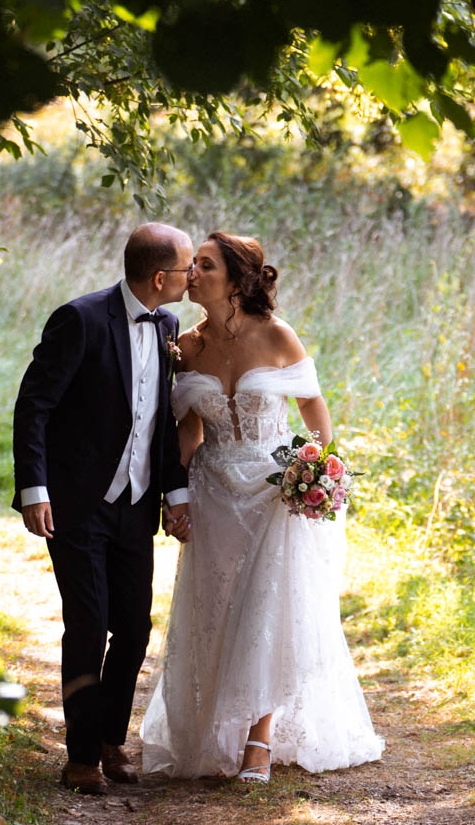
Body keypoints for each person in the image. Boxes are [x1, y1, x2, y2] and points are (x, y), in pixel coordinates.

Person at [139, 231, 383, 782]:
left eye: (204, 264)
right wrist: (169, 495)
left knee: (265, 608)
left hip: (274, 491)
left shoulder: (276, 336)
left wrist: (316, 468)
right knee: (217, 607)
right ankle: (213, 728)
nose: (191, 273)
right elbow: (189, 430)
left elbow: (314, 409)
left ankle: (259, 738)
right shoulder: (188, 346)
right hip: (212, 493)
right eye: (191, 264)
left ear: (236, 277)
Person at [12, 224, 194, 794]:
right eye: (189, 268)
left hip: (136, 506)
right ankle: (81, 755)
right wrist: (34, 489)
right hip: (76, 505)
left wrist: (176, 493)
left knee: (135, 629)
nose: (193, 277)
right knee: (87, 627)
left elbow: (159, 421)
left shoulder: (168, 325)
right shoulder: (81, 319)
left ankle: (112, 738)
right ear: (160, 276)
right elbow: (33, 406)